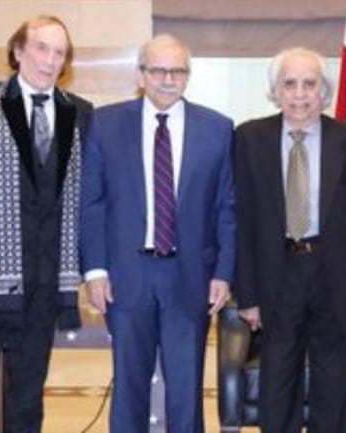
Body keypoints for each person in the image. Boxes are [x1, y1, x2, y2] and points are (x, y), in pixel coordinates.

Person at [0, 15, 92, 433]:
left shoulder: (80, 112)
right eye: (41, 48)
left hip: (45, 277)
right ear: (18, 51)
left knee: (28, 392)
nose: (50, 60)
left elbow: (84, 198)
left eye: (59, 52)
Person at [80, 34, 235, 433]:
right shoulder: (105, 124)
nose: (169, 79)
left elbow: (226, 208)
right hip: (126, 276)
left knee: (186, 391)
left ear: (188, 75)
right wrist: (94, 270)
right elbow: (92, 202)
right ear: (141, 75)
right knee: (128, 388)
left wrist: (223, 273)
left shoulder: (218, 129)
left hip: (191, 277)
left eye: (178, 71)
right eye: (159, 70)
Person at [235, 47, 346, 433]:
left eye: (309, 84)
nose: (299, 94)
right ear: (275, 91)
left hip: (338, 277)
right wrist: (248, 296)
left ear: (324, 91)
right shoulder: (249, 139)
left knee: (337, 385)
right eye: (289, 84)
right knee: (277, 386)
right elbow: (241, 220)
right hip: (276, 274)